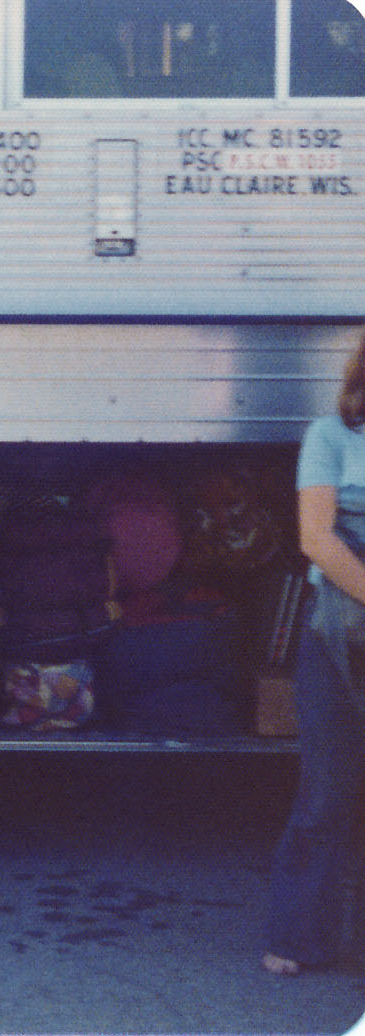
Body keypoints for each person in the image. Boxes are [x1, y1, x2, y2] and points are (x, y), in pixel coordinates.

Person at [265, 332, 365, 976]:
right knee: (328, 790)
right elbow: (316, 537)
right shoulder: (329, 436)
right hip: (338, 631)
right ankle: (297, 934)